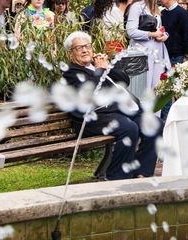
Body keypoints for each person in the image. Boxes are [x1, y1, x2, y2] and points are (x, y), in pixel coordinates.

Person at [61, 31, 162, 180]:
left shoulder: (97, 67)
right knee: (129, 128)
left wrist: (107, 67)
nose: (85, 50)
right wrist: (100, 70)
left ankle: (142, 172)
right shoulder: (71, 73)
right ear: (71, 54)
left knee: (155, 124)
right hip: (93, 119)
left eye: (87, 46)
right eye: (79, 48)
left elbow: (124, 79)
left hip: (119, 112)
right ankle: (117, 176)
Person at [125, 0, 169, 92]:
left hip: (158, 51)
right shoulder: (136, 6)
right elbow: (131, 31)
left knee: (157, 89)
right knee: (143, 89)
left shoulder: (155, 8)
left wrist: (164, 36)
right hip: (142, 53)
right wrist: (152, 34)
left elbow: (160, 29)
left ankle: (155, 111)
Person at [159, 0, 188, 65]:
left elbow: (187, 34)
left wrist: (187, 56)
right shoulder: (162, 13)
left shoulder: (182, 13)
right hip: (163, 54)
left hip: (177, 56)